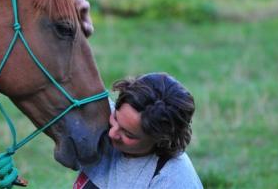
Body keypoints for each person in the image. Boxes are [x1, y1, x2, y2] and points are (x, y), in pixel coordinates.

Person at [74, 72, 203, 189]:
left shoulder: (172, 181)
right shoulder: (103, 117)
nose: (112, 133)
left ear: (160, 140)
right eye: (115, 118)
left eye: (128, 134)